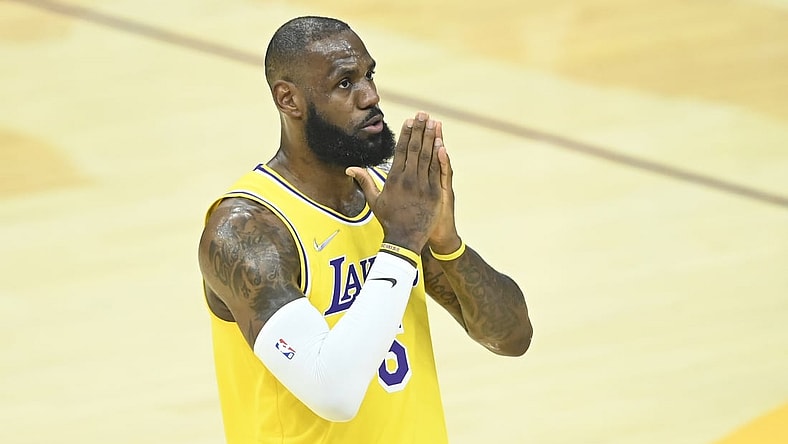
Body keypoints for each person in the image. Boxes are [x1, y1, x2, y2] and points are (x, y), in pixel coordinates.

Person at [197, 15, 533, 444]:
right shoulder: (247, 232)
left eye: (369, 75)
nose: (370, 96)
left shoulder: (386, 200)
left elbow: (511, 337)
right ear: (290, 100)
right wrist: (403, 240)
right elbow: (333, 391)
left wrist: (446, 243)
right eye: (345, 83)